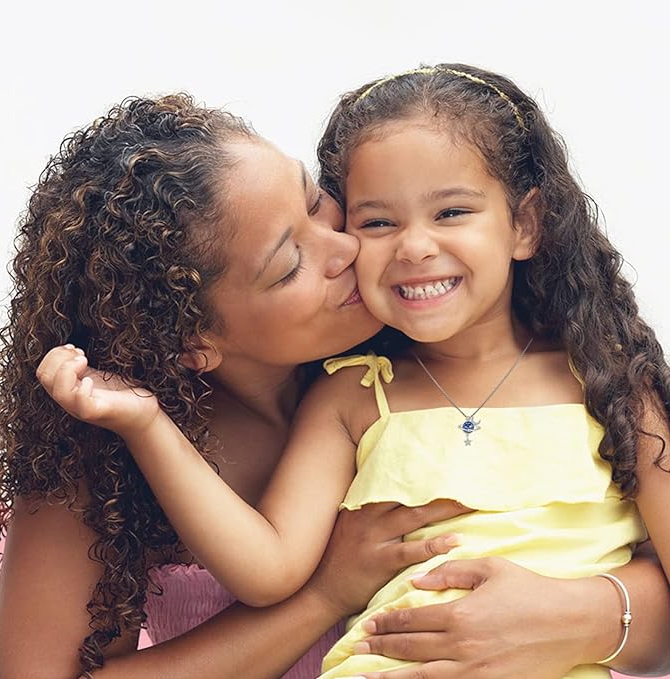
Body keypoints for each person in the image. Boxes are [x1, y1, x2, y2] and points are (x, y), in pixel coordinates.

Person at [34, 66, 670, 679]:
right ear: (192, 338)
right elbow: (269, 566)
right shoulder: (355, 396)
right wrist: (150, 428)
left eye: (319, 205)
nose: (377, 248)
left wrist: (586, 615)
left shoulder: (611, 384)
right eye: (377, 221)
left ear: (524, 224)